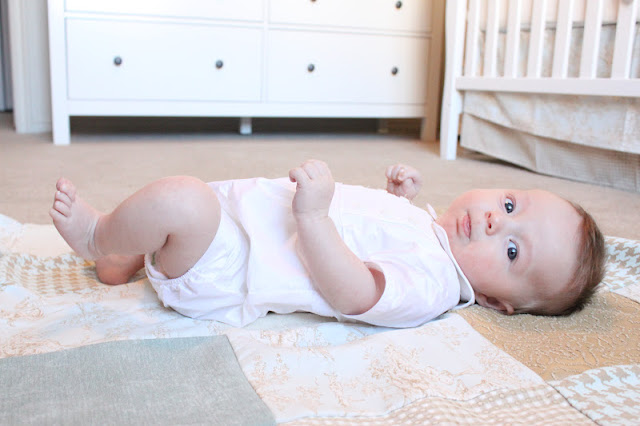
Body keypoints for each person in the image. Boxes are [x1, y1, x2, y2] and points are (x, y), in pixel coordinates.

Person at [49, 160, 606, 328]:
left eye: (512, 251)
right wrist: (398, 201)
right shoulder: (431, 235)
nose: (491, 223)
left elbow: (356, 291)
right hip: (245, 224)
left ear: (493, 300)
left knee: (181, 200)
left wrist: (314, 216)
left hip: (231, 268)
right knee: (182, 205)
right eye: (508, 206)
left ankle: (98, 236)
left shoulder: (435, 285)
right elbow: (379, 235)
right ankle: (127, 257)